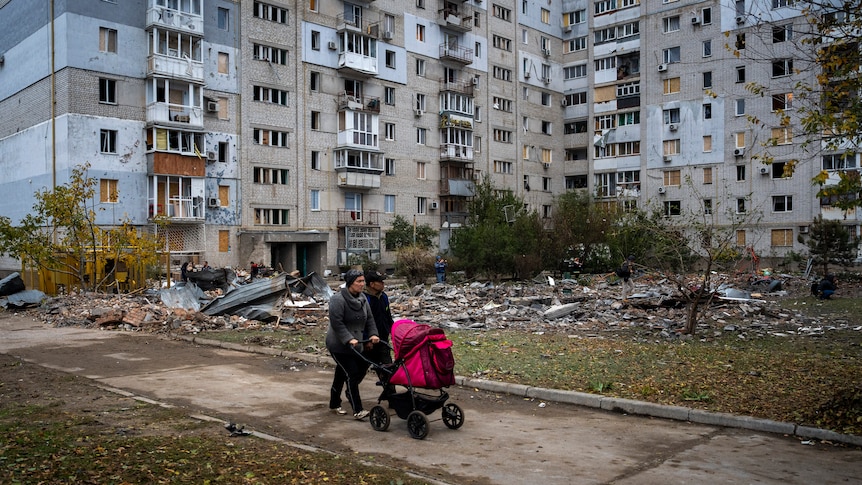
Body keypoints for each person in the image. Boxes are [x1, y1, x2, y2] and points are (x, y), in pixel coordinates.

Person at [326, 269, 379, 420]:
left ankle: (334, 403)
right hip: (338, 344)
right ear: (350, 283)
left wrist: (373, 334)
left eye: (363, 281)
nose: (362, 284)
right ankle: (358, 409)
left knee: (341, 373)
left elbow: (369, 319)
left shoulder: (362, 298)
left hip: (356, 344)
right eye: (359, 281)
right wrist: (348, 338)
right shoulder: (338, 300)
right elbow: (337, 323)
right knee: (352, 373)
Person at [363, 270, 395, 393]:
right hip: (368, 342)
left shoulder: (384, 297)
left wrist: (393, 332)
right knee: (360, 370)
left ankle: (392, 396)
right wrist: (367, 339)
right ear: (372, 284)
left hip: (382, 339)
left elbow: (388, 316)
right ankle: (351, 391)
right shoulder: (365, 299)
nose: (383, 284)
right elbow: (363, 321)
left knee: (388, 368)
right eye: (380, 282)